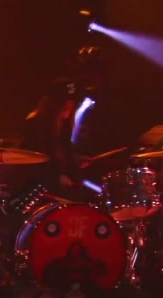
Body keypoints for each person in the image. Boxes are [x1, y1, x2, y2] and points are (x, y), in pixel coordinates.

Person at [22, 45, 106, 192]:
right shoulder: (36, 124)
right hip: (41, 188)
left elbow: (62, 154)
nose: (69, 106)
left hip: (61, 185)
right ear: (54, 104)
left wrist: (74, 160)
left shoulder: (64, 126)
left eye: (71, 102)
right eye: (65, 103)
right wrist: (57, 177)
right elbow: (35, 161)